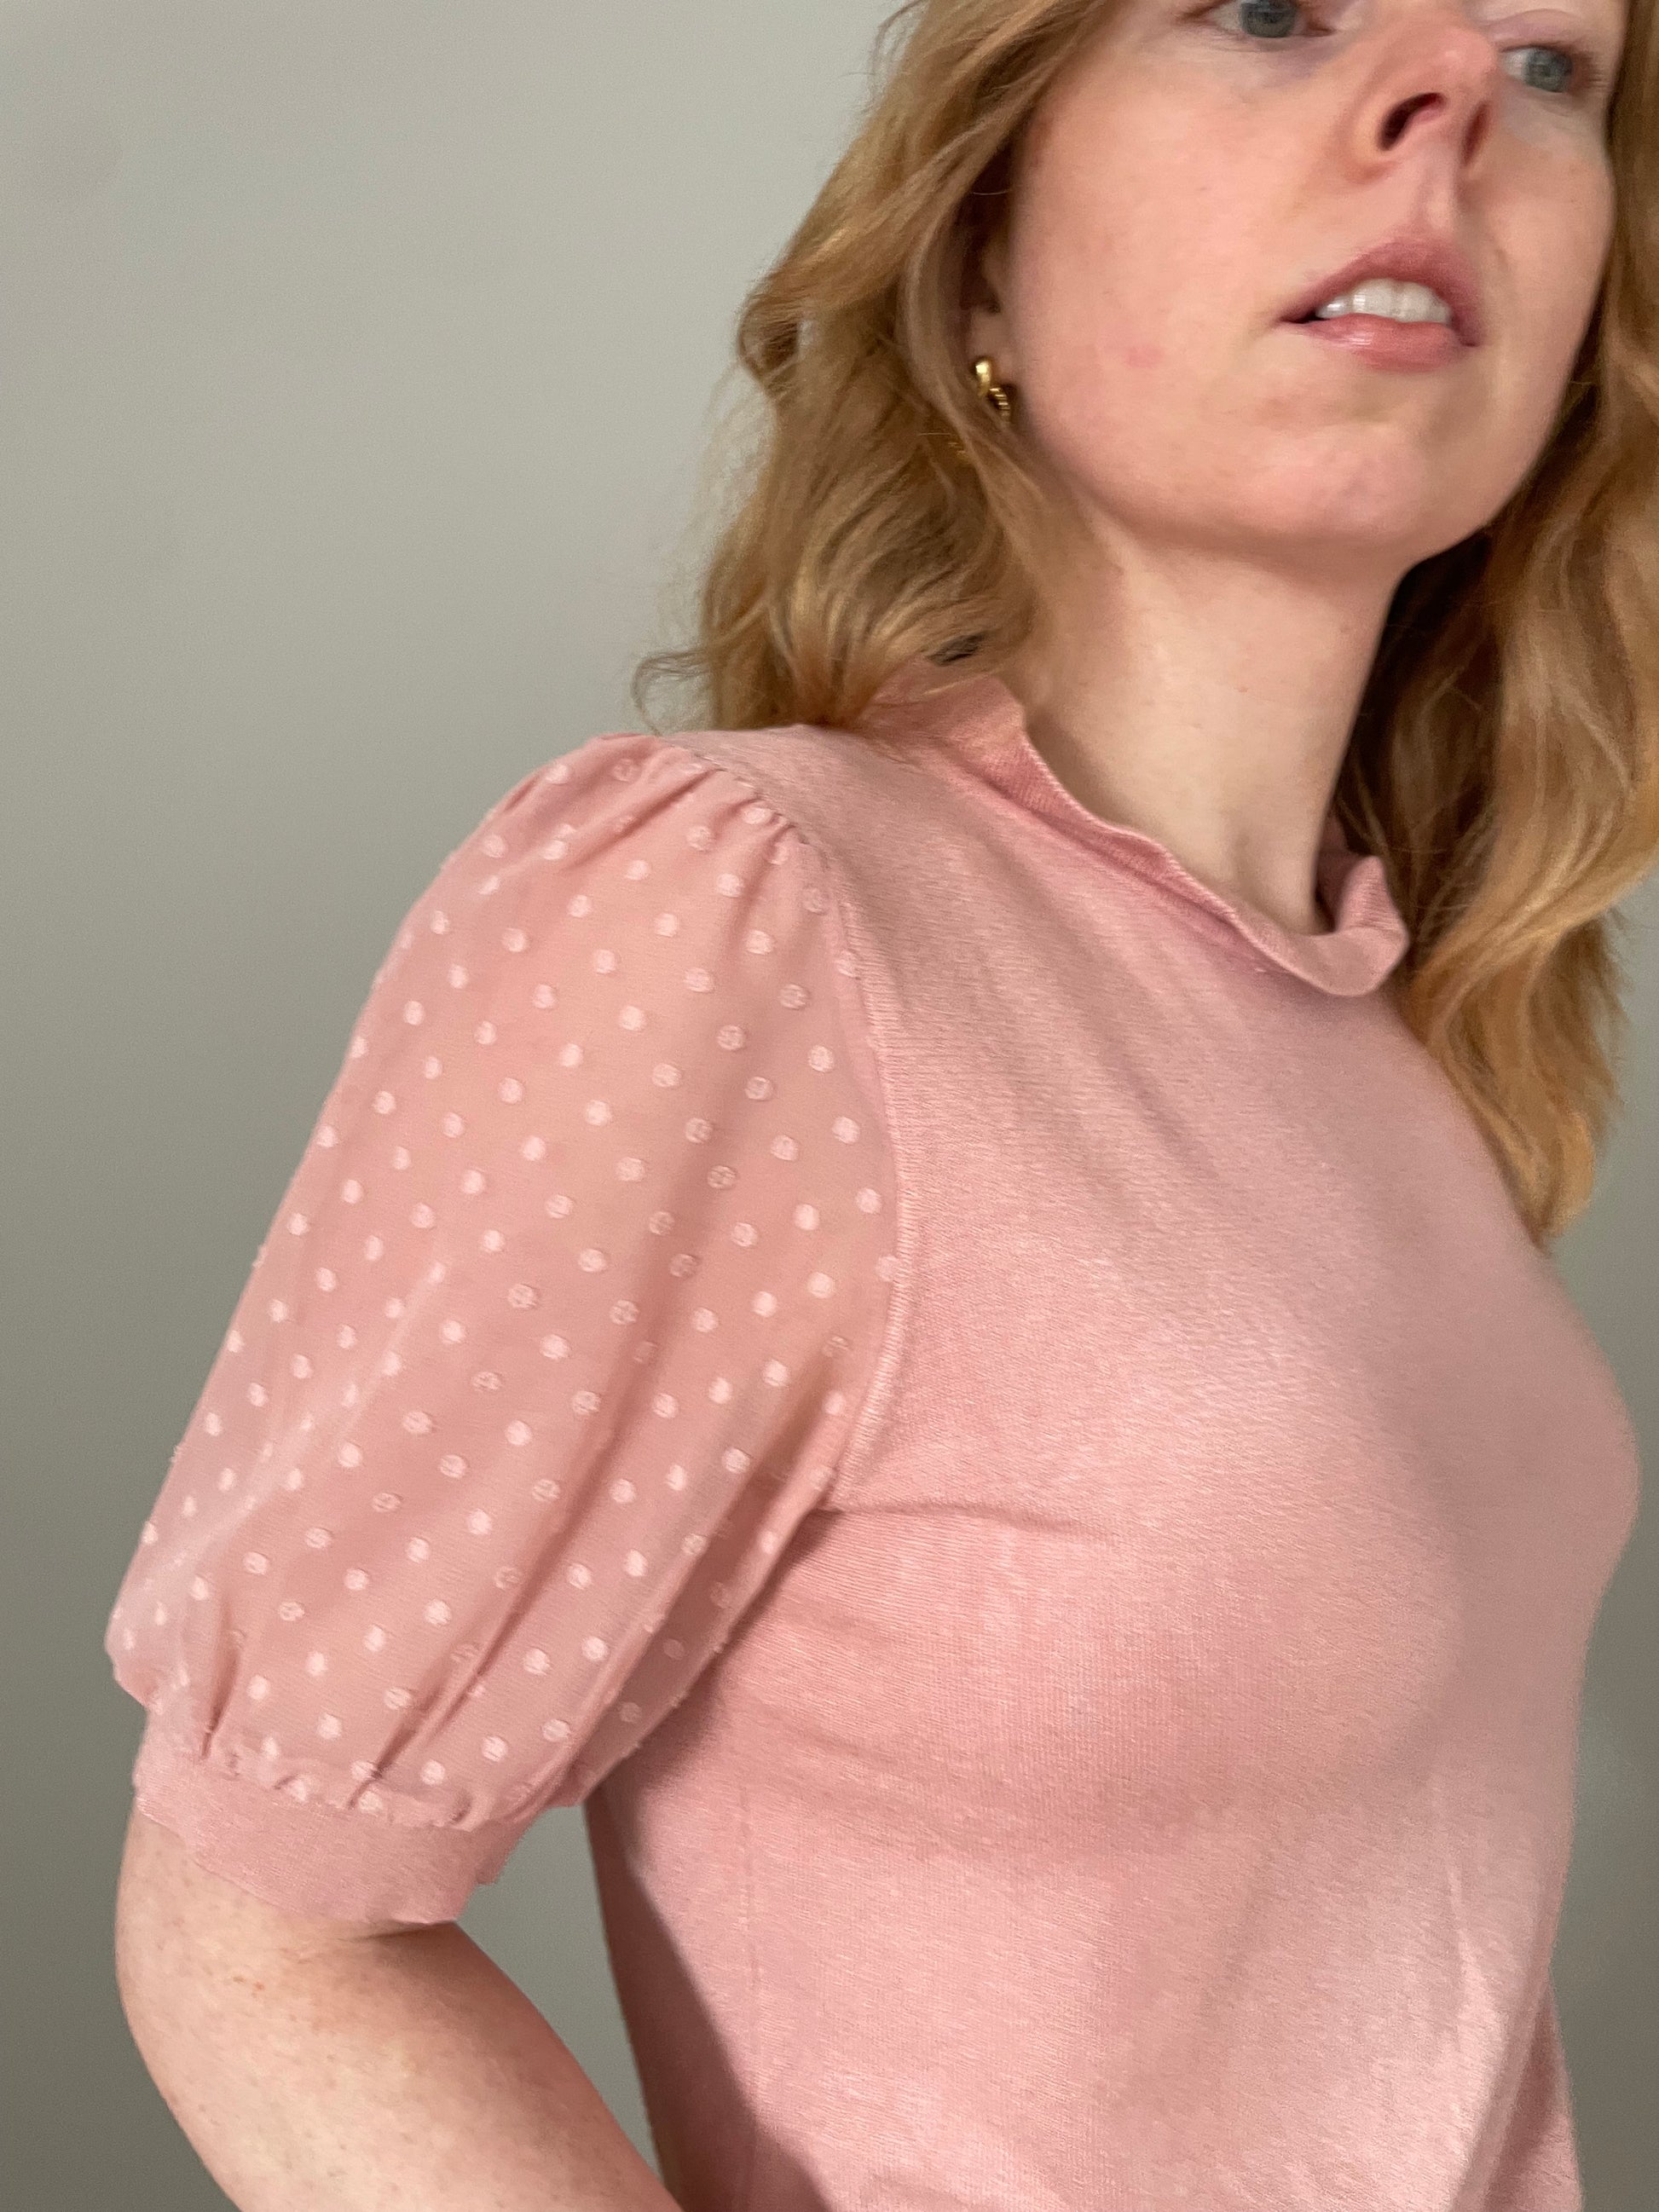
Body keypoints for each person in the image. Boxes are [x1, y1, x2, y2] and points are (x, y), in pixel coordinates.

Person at [106, 2, 1657, 2208]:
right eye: (1268, 9)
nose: (1445, 98)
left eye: (1552, 61)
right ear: (981, 241)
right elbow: (264, 1926)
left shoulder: (1411, 1036)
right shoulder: (745, 915)